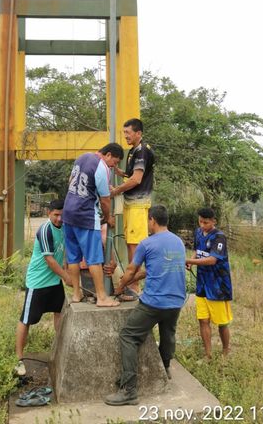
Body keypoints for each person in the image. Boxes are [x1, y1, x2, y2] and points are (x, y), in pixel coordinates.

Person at [104, 205, 186, 406]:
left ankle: (129, 390)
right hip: (176, 301)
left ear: (152, 221)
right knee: (168, 333)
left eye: (148, 221)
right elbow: (154, 269)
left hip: (154, 303)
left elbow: (131, 271)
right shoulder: (178, 242)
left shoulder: (147, 243)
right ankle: (164, 368)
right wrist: (131, 279)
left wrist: (119, 287)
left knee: (128, 335)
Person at [62, 142, 124, 308]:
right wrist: (108, 217)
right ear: (108, 155)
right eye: (115, 162)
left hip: (68, 213)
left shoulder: (82, 158)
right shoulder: (101, 167)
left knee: (73, 257)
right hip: (86, 215)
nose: (113, 166)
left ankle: (76, 294)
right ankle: (102, 297)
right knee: (94, 258)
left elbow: (71, 182)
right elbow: (105, 200)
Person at [15, 199, 71, 377]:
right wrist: (66, 276)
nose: (59, 218)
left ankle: (59, 349)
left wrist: (65, 270)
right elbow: (50, 260)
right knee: (26, 319)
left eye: (62, 215)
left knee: (59, 313)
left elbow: (64, 252)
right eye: (56, 215)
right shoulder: (45, 230)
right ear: (49, 214)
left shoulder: (64, 227)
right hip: (38, 283)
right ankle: (19, 359)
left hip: (54, 281)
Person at [110, 118, 155, 295]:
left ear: (138, 133)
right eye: (124, 133)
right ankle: (131, 282)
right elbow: (130, 175)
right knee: (130, 243)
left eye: (128, 133)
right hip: (130, 203)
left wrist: (116, 190)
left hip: (138, 203)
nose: (126, 136)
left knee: (135, 245)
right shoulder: (133, 151)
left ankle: (134, 285)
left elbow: (136, 180)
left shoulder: (142, 151)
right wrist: (119, 172)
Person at [185, 207, 233, 359]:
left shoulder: (219, 238)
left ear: (214, 221)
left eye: (205, 222)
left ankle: (226, 352)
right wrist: (192, 260)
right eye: (200, 221)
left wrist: (189, 260)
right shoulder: (198, 233)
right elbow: (197, 250)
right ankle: (208, 355)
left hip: (217, 286)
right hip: (202, 284)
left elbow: (212, 260)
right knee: (203, 320)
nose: (202, 225)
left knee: (222, 322)